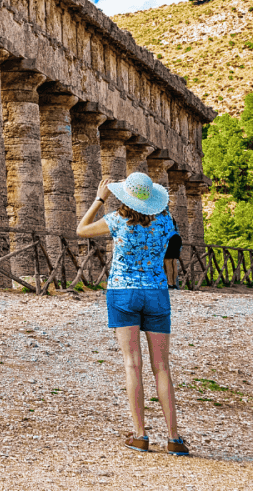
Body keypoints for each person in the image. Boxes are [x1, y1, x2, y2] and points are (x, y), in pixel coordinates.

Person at [77, 172, 189, 455]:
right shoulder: (165, 222)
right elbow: (172, 251)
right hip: (156, 293)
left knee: (132, 365)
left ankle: (140, 435)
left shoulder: (116, 220)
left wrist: (99, 199)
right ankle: (174, 439)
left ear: (124, 196)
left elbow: (82, 229)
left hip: (123, 292)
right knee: (162, 367)